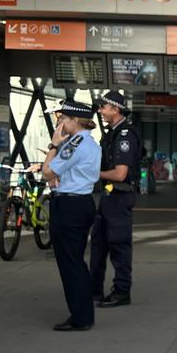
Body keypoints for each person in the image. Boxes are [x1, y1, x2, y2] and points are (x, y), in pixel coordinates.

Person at [41, 100, 101, 332]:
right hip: (81, 202)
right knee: (74, 261)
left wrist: (53, 146)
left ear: (75, 120)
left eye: (63, 118)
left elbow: (48, 171)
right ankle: (83, 313)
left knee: (71, 264)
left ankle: (81, 317)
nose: (60, 123)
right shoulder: (90, 143)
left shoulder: (73, 144)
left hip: (69, 207)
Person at [90, 90, 141, 308]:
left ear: (115, 109)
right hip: (108, 196)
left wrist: (92, 174)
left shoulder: (125, 136)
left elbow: (120, 174)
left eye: (104, 107)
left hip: (120, 196)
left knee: (119, 245)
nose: (100, 111)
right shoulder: (111, 134)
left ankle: (122, 291)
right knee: (98, 245)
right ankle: (93, 290)